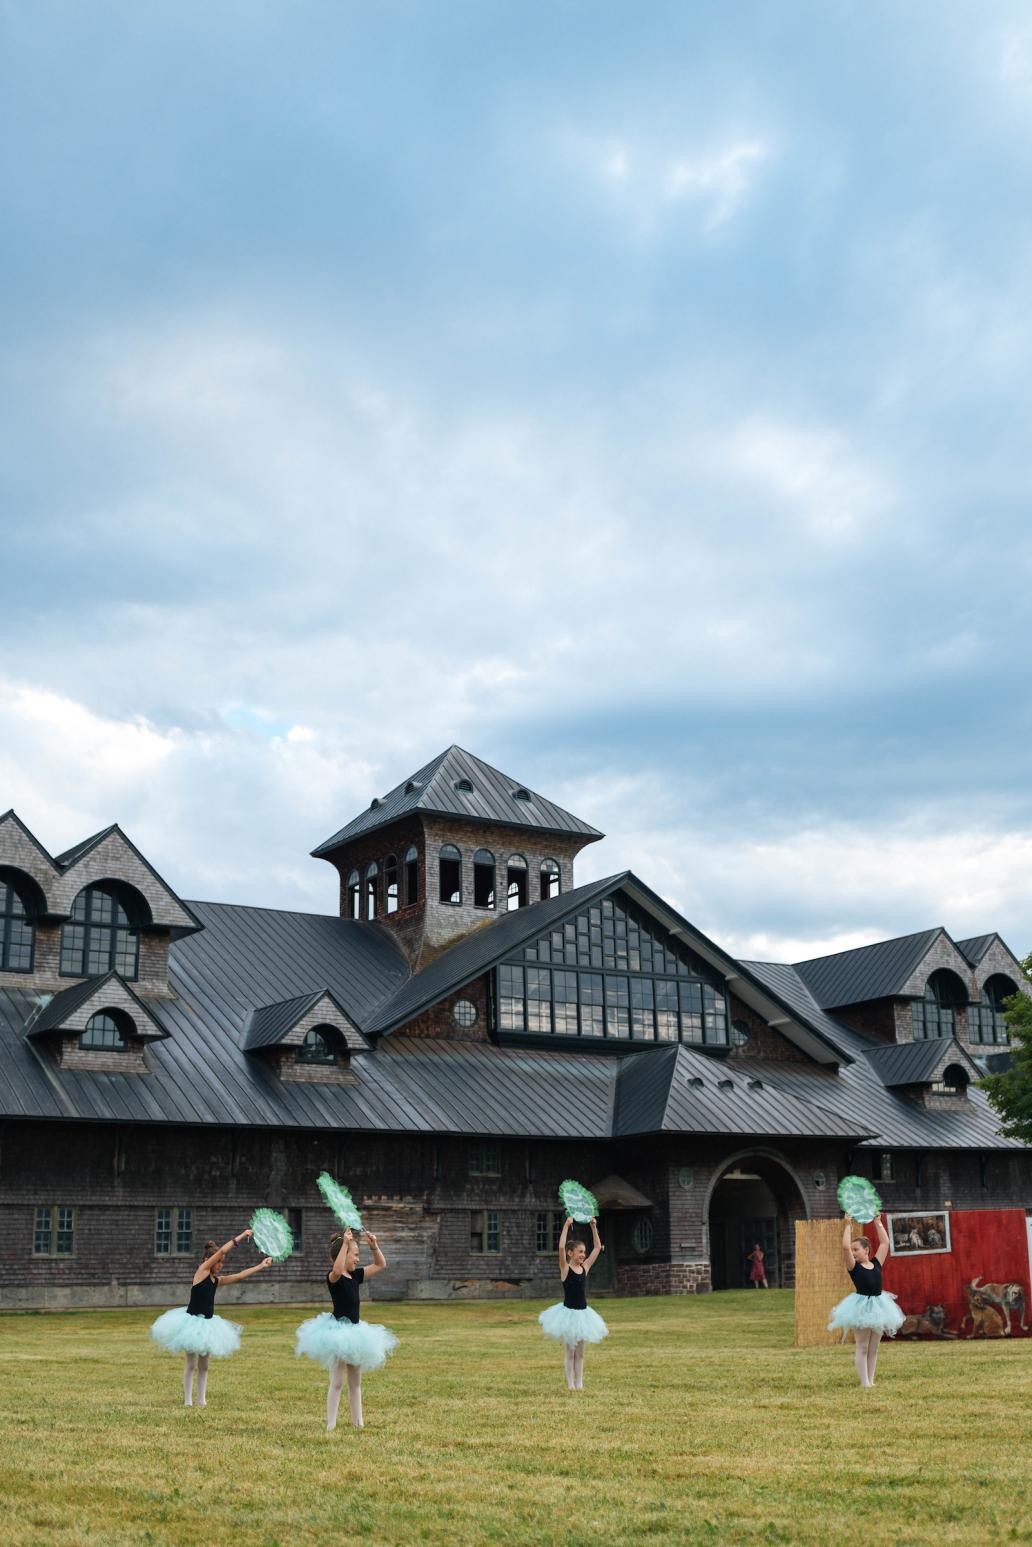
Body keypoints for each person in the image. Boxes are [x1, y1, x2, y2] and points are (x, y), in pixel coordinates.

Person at [150, 1227, 273, 1406]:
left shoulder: (216, 1281)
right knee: (190, 1365)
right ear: (207, 1261)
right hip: (191, 1325)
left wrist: (261, 1266)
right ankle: (188, 1401)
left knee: (204, 1366)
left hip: (208, 1325)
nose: (220, 1265)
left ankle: (201, 1400)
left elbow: (239, 1276)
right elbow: (222, 1251)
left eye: (222, 1263)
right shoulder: (201, 1272)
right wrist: (242, 1236)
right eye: (218, 1262)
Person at [295, 1227, 398, 1430]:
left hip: (356, 1334)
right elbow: (336, 1270)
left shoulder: (356, 1276)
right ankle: (331, 1423)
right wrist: (344, 1244)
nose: (358, 1259)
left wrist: (374, 1246)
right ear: (343, 1255)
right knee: (337, 1382)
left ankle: (358, 1422)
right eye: (355, 1255)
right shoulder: (334, 1278)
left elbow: (381, 1264)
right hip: (339, 1336)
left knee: (355, 1382)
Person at [827, 1214, 905, 1386]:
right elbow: (845, 1247)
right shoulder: (853, 1267)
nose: (853, 1252)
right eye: (853, 1250)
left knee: (873, 1349)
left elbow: (885, 1243)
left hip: (879, 1306)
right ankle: (864, 1383)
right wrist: (848, 1224)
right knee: (862, 1347)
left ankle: (871, 1381)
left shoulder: (877, 1263)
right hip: (861, 1308)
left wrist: (878, 1222)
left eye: (856, 1249)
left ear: (866, 1250)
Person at [538, 1216, 608, 1390]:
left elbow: (597, 1248)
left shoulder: (585, 1268)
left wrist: (593, 1228)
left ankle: (579, 1383)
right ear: (571, 1253)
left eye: (584, 1252)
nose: (583, 1255)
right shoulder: (565, 1269)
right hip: (568, 1315)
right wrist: (566, 1225)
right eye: (580, 1252)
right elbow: (561, 1247)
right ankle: (570, 1384)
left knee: (580, 1354)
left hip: (584, 1315)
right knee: (570, 1353)